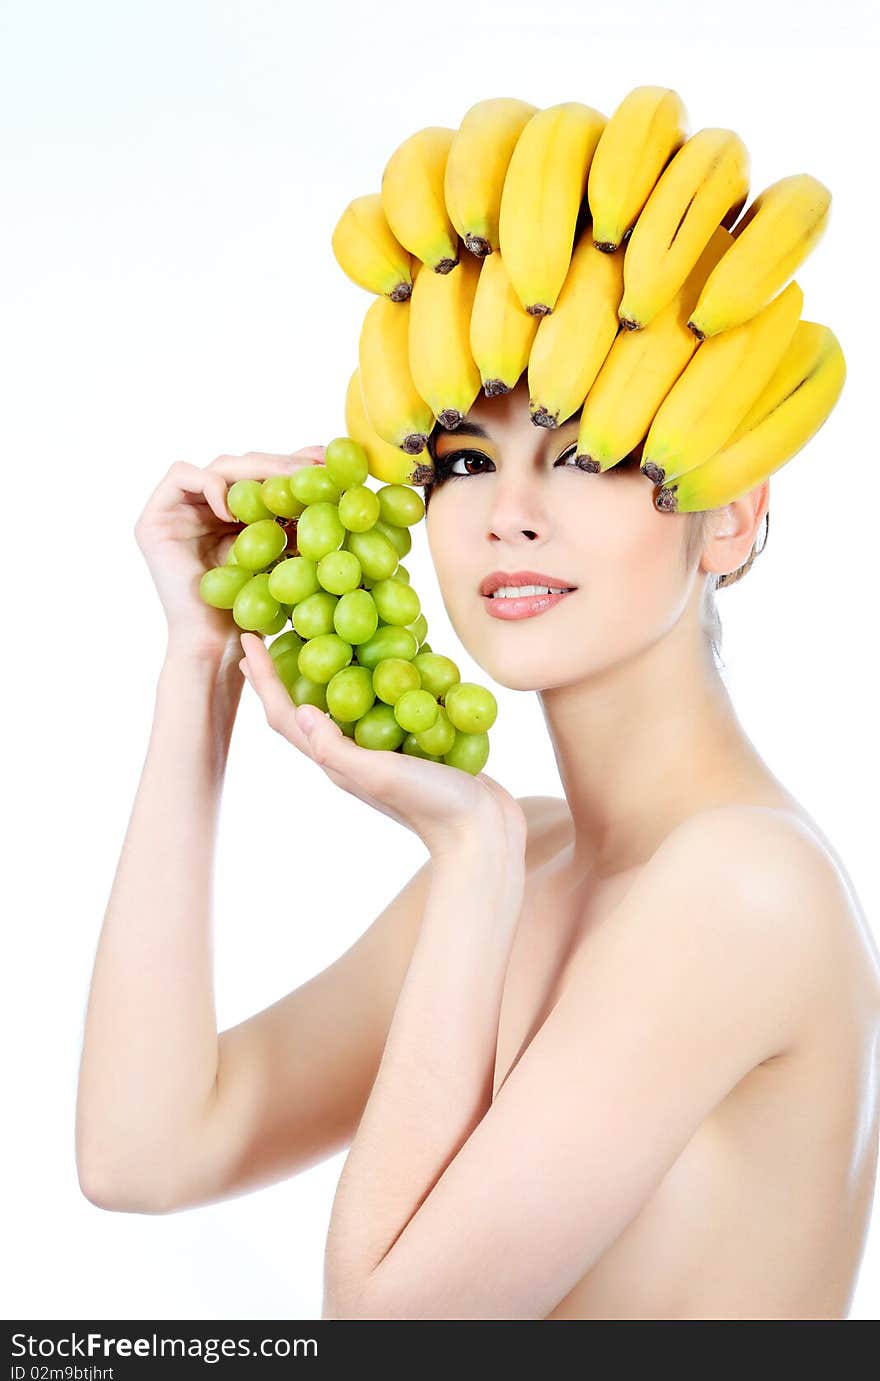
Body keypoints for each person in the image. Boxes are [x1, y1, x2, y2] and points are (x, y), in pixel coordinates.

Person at [75, 374, 880, 1320]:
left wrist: (471, 855)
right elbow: (143, 1153)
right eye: (465, 462)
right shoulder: (533, 850)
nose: (508, 514)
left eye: (585, 455)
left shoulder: (746, 886)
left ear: (733, 517)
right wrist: (199, 662)